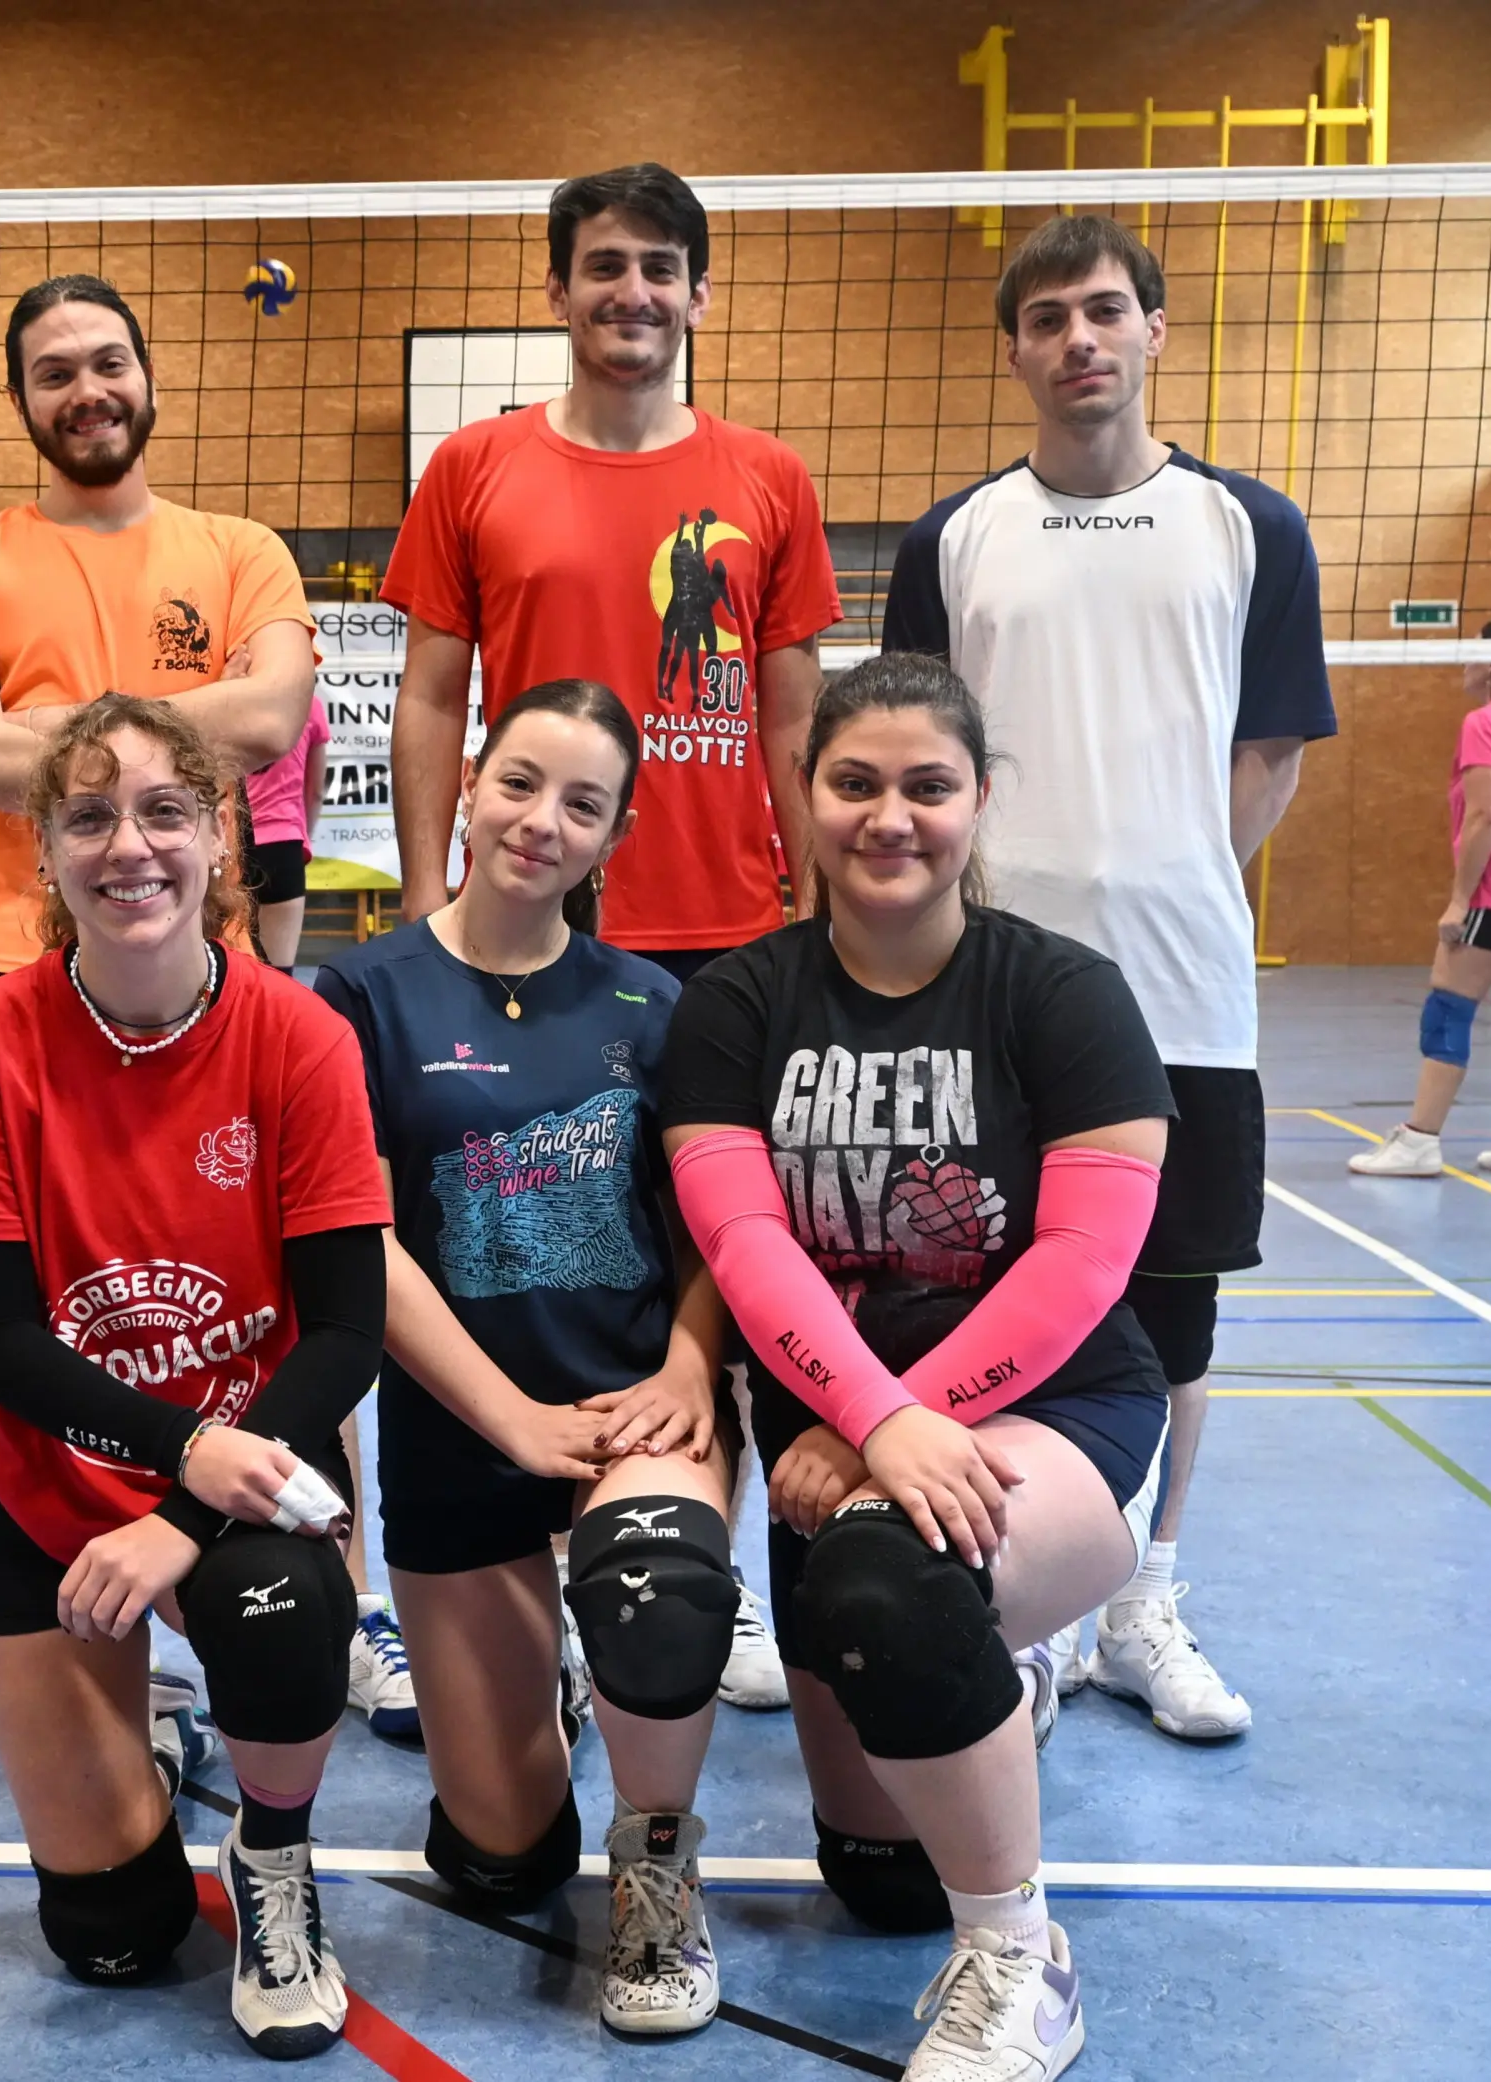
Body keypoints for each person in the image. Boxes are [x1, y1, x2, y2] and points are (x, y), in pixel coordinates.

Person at [659, 654, 1177, 2082]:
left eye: (929, 786)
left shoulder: (1065, 996)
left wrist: (890, 1424)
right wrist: (866, 1417)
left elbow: (1080, 1267)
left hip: (1050, 1402)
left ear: (980, 802)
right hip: (845, 1418)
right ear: (806, 795)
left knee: (896, 1582)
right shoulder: (740, 1006)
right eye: (857, 782)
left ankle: (1021, 1952)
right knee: (880, 1882)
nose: (893, 816)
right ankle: (994, 1666)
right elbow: (745, 1242)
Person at [383, 161, 845, 1710]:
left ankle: (713, 1559)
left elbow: (793, 712)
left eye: (661, 267)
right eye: (602, 267)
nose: (631, 292)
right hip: (520, 932)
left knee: (729, 1264)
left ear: (700, 293)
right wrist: (413, 894)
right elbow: (437, 694)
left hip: (719, 930)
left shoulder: (768, 475)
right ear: (558, 287)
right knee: (523, 1248)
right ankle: (546, 1571)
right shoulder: (474, 466)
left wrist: (812, 909)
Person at [883, 212, 1334, 1742]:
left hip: (1188, 988)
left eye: (1105, 311)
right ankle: (1038, 1596)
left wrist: (1165, 871)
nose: (1079, 339)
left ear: (1156, 330)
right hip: (988, 992)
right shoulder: (954, 538)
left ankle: (1144, 1591)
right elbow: (909, 753)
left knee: (1176, 1304)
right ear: (1013, 351)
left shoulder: (1249, 527)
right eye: (1048, 319)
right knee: (1004, 1284)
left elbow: (1267, 750)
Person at [0, 693, 390, 2060]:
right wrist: (186, 1451)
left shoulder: (302, 1038)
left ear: (221, 836)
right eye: (91, 814)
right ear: (41, 851)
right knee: (112, 1936)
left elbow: (345, 1331)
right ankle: (152, 1750)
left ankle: (275, 1860)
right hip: (27, 1461)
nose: (133, 845)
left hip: (249, 1447)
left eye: (167, 809)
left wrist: (185, 1506)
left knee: (284, 1606)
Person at [316, 679, 733, 2035]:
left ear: (615, 834)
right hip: (465, 1428)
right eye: (519, 782)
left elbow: (720, 1229)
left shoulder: (652, 1004)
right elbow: (357, 1241)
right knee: (501, 1859)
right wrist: (508, 1421)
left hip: (632, 1418)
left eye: (582, 803)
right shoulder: (365, 991)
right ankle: (537, 1700)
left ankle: (660, 1873)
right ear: (472, 780)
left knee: (660, 1599)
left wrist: (686, 1369)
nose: (540, 821)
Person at [0, 272, 319, 1002]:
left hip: (208, 944)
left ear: (149, 378)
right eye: (55, 375)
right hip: (17, 953)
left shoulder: (245, 550)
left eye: (110, 364)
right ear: (19, 401)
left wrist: (28, 726)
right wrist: (204, 708)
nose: (88, 391)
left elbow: (269, 720)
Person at [1348, 619, 1491, 1178]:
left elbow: (1486, 814)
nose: (1464, 659)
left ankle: (1421, 1140)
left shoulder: (1487, 723)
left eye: (1473, 651)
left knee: (1447, 1010)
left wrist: (1459, 901)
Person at [243, 693, 329, 970]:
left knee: (228, 970)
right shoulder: (307, 704)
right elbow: (315, 791)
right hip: (283, 843)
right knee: (279, 974)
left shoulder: (230, 699)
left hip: (232, 845)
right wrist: (302, 836)